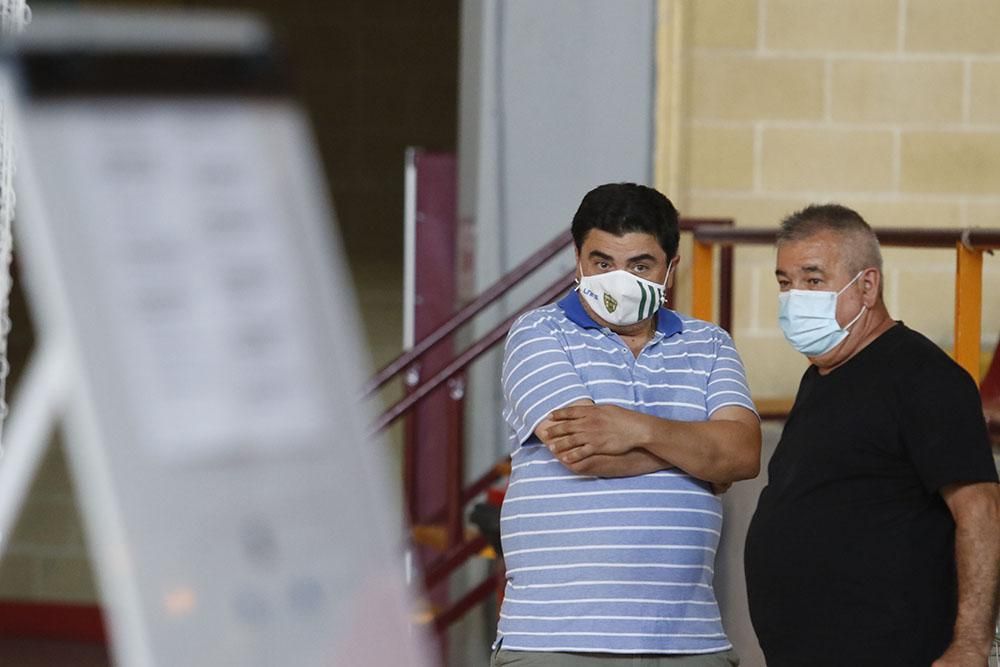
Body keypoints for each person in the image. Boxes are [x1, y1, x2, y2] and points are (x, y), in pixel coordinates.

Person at [492, 183, 761, 666]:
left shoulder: (709, 344)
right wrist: (701, 457)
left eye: (640, 265)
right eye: (602, 263)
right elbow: (585, 451)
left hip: (689, 641)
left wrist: (635, 428)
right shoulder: (538, 333)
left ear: (670, 267)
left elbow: (741, 455)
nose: (619, 280)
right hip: (557, 640)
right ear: (578, 260)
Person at [744, 204, 1000, 667]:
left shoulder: (924, 378)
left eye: (813, 280)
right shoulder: (823, 373)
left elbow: (981, 510)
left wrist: (970, 645)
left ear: (866, 285)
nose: (794, 297)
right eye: (785, 282)